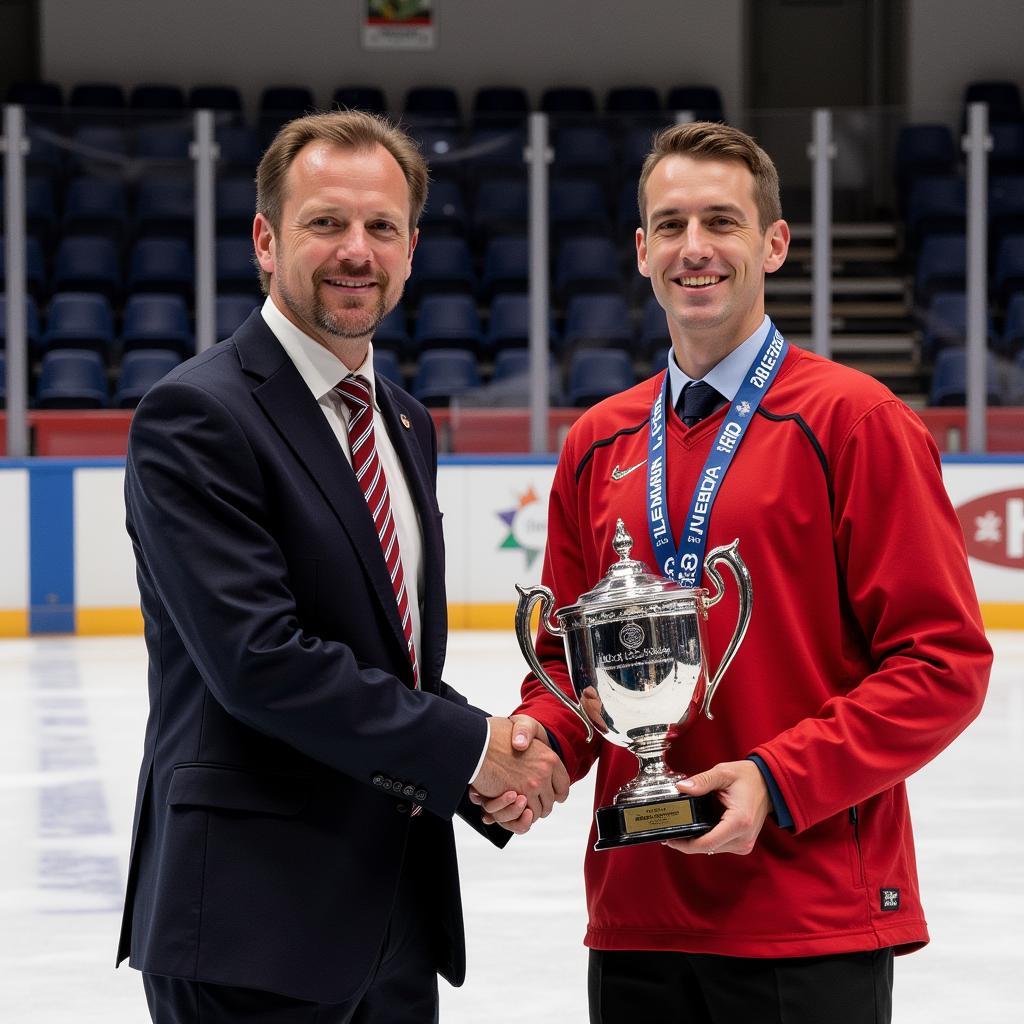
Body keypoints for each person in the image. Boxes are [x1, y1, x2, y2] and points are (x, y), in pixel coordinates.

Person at [477, 121, 993, 1023]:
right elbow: (566, 663)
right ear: (642, 252)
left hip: (808, 911)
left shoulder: (855, 423)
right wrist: (540, 748)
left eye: (722, 220)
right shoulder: (599, 441)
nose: (695, 248)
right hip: (639, 911)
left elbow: (944, 665)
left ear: (775, 243)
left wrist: (777, 778)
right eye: (670, 225)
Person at [115, 110, 566, 1023]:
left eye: (382, 227)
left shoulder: (403, 420)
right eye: (326, 222)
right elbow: (260, 662)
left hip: (391, 907)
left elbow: (390, 661)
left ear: (409, 249)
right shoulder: (196, 416)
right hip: (251, 922)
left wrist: (489, 774)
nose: (356, 251)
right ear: (266, 239)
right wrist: (475, 752)